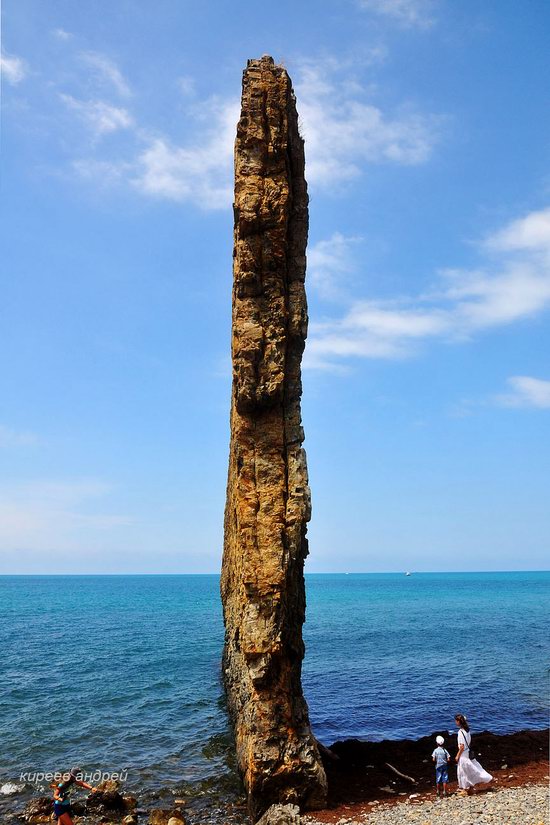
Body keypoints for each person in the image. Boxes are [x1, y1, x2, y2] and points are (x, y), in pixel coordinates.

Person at [454, 714, 493, 795]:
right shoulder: (467, 730)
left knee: (463, 771)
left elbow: (461, 746)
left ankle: (465, 789)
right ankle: (470, 788)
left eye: (456, 720)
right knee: (470, 770)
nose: (455, 722)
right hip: (467, 752)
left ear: (459, 721)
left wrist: (457, 756)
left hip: (463, 754)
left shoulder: (460, 732)